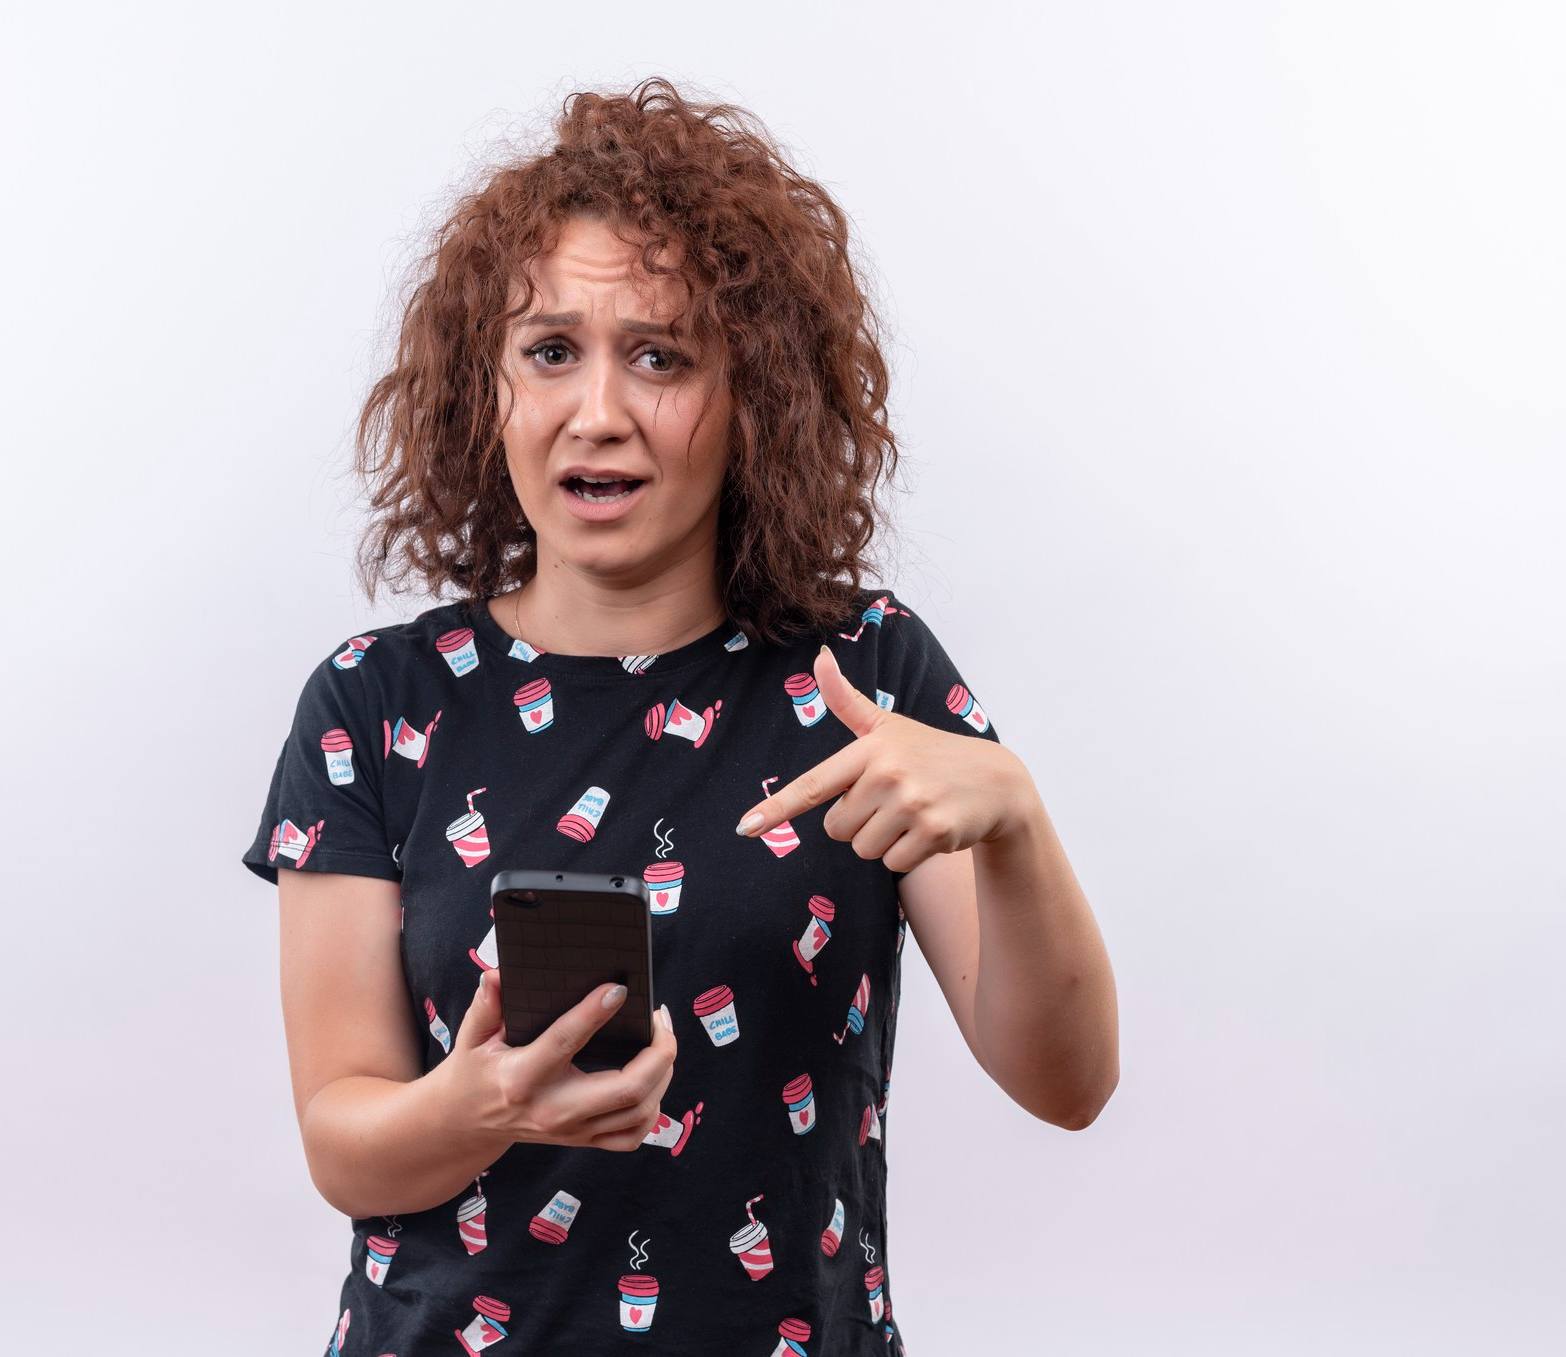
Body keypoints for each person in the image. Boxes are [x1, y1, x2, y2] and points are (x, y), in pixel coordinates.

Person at [244, 77, 1117, 1355]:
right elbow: (342, 1139)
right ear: (486, 394)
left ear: (750, 393)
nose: (598, 410)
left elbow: (1068, 1083)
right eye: (551, 351)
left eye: (658, 356)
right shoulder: (375, 704)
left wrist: (1015, 826)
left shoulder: (863, 677)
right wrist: (480, 1105)